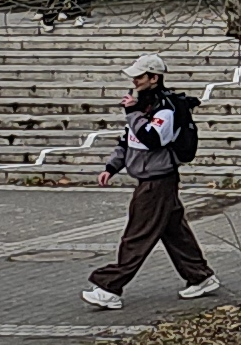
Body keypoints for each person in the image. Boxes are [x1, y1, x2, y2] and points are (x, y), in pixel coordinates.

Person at [84, 54, 222, 308]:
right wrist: (112, 166)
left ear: (154, 78)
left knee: (138, 235)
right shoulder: (141, 105)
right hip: (153, 180)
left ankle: (109, 286)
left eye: (139, 76)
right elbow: (128, 141)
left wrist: (133, 113)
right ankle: (200, 277)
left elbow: (152, 139)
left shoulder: (165, 109)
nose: (134, 81)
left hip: (157, 181)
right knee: (175, 232)